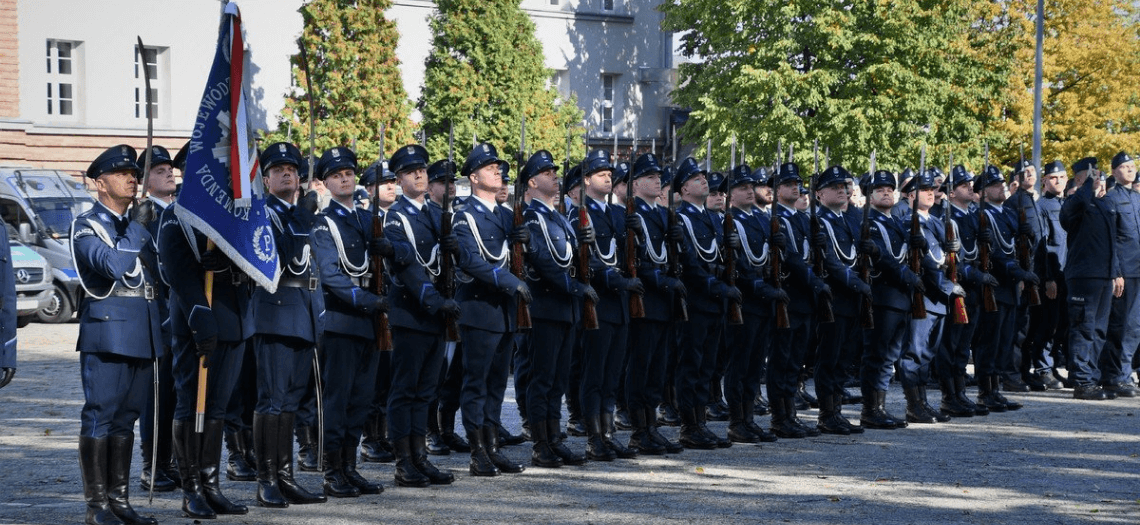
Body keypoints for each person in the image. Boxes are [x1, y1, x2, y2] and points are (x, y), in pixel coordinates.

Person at [72, 144, 163, 525]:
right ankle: (97, 507)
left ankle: (120, 501)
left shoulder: (137, 223)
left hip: (142, 329)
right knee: (101, 415)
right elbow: (111, 265)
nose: (132, 179)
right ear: (99, 182)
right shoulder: (87, 225)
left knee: (127, 419)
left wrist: (142, 226)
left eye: (134, 173)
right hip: (108, 332)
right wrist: (139, 227)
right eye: (122, 173)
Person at [158, 164, 254, 518]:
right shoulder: (177, 214)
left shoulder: (232, 212)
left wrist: (231, 261)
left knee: (218, 407)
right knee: (190, 405)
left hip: (234, 318)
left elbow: (258, 255)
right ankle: (191, 488)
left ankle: (211, 485)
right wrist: (201, 316)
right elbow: (178, 271)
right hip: (198, 320)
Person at [249, 142, 327, 508]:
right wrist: (303, 216)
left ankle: (285, 475)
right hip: (275, 312)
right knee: (273, 400)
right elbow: (281, 255)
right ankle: (266, 478)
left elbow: (317, 266)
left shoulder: (304, 212)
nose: (286, 174)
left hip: (304, 312)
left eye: (292, 170)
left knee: (293, 401)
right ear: (265, 180)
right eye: (278, 169)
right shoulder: (262, 213)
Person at [309, 146, 389, 497]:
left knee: (361, 398)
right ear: (324, 182)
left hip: (368, 321)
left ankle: (350, 466)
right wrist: (368, 301)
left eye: (348, 174)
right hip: (342, 318)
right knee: (337, 400)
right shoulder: (323, 222)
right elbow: (331, 275)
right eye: (337, 175)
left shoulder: (363, 219)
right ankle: (331, 469)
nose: (345, 179)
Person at [382, 145, 461, 486]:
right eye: (410, 171)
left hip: (435, 314)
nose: (419, 174)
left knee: (427, 388)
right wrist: (433, 299)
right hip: (411, 312)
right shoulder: (396, 216)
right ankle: (404, 462)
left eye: (422, 170)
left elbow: (442, 262)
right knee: (406, 389)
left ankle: (420, 456)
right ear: (399, 179)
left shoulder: (434, 212)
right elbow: (409, 267)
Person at [451, 143, 530, 476]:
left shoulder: (504, 214)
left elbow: (524, 256)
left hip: (505, 313)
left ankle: (493, 445)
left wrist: (528, 240)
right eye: (490, 167)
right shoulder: (464, 213)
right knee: (476, 382)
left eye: (499, 167)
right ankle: (477, 451)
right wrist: (509, 282)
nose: (498, 171)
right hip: (480, 309)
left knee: (498, 383)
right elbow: (469, 260)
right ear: (474, 176)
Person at [517, 150, 592, 468]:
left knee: (559, 379)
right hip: (546, 307)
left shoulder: (559, 216)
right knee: (543, 378)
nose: (555, 177)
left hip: (565, 309)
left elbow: (569, 259)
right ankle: (541, 443)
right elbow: (544, 263)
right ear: (532, 182)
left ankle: (555, 437)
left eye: (554, 172)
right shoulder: (531, 217)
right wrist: (575, 287)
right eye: (547, 173)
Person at [672, 157, 739, 449]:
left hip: (715, 301)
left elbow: (722, 259)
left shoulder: (714, 218)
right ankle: (689, 426)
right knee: (692, 365)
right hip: (696, 300)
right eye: (696, 178)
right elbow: (688, 261)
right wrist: (715, 285)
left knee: (708, 366)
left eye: (703, 176)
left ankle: (701, 422)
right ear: (684, 188)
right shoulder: (681, 218)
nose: (703, 180)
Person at [722, 165, 782, 443]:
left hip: (763, 302)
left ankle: (748, 418)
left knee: (756, 364)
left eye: (750, 187)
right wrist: (758, 287)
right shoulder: (728, 220)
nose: (749, 191)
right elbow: (733, 266)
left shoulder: (759, 219)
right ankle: (737, 420)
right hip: (744, 301)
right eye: (742, 188)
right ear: (730, 194)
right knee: (740, 364)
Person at [770, 162, 829, 438]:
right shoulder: (776, 218)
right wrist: (814, 281)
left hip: (804, 299)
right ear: (777, 190)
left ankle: (790, 413)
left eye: (797, 183)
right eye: (788, 184)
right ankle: (779, 417)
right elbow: (791, 257)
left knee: (796, 361)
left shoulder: (803, 218)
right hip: (789, 295)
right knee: (781, 360)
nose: (795, 187)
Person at [813, 165, 872, 434]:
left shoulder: (849, 219)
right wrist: (854, 282)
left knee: (845, 357)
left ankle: (836, 410)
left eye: (844, 186)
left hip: (851, 299)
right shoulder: (820, 220)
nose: (842, 190)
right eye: (834, 187)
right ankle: (827, 414)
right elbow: (829, 260)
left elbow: (858, 256)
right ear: (819, 194)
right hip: (833, 297)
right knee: (830, 357)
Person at [134, 145, 179, 494]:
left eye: (170, 169)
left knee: (181, 395)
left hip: (183, 314)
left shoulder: (181, 212)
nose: (169, 173)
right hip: (158, 315)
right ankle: (154, 465)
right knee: (158, 397)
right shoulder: (143, 217)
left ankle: (177, 461)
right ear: (145, 179)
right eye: (160, 169)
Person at [859, 169, 919, 430]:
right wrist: (905, 273)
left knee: (890, 355)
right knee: (877, 354)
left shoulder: (895, 222)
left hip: (901, 297)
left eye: (889, 189)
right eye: (880, 189)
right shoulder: (868, 222)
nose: (886, 192)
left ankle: (880, 407)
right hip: (883, 295)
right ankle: (870, 409)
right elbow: (882, 256)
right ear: (869, 196)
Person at [975, 165, 1035, 412]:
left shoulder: (1009, 213)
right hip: (995, 283)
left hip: (1010, 287)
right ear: (983, 192)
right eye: (994, 185)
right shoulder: (982, 214)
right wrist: (1016, 271)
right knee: (989, 340)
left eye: (1001, 184)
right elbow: (994, 253)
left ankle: (996, 388)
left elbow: (1021, 246)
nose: (1001, 187)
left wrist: (1027, 234)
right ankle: (985, 391)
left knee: (1005, 339)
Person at [1060, 157, 1119, 400]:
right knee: (1083, 328)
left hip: (1104, 276)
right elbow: (1074, 208)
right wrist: (1086, 185)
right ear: (1081, 179)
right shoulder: (1076, 202)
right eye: (1093, 175)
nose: (1099, 180)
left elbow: (1112, 244)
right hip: (1083, 276)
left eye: (1100, 176)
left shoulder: (1104, 205)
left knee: (1098, 331)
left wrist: (1115, 273)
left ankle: (1091, 379)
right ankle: (1082, 381)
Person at [1098, 152, 1140, 398]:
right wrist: (1116, 272)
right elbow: (1110, 241)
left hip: (1139, 270)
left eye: (1132, 166)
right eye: (1124, 166)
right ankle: (1113, 375)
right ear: (1114, 172)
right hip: (1124, 272)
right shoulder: (1110, 200)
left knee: (1135, 327)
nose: (1130, 169)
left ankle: (1122, 374)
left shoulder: (1137, 198)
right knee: (1119, 326)